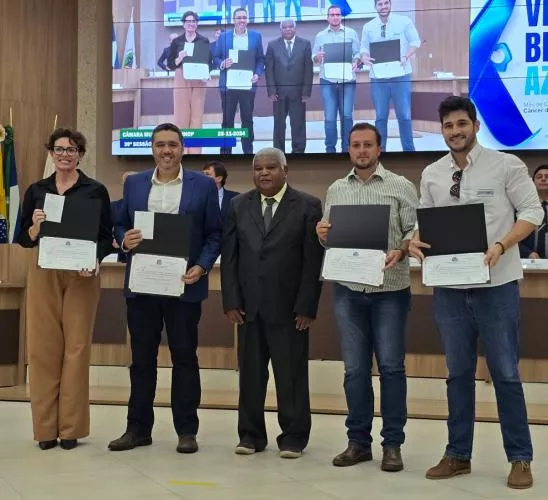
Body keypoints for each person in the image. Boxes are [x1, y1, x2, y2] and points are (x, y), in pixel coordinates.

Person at [409, 96, 543, 490]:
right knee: (458, 375)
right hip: (450, 289)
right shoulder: (433, 173)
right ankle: (457, 454)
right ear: (442, 130)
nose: (455, 131)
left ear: (476, 125)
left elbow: (532, 212)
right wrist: (414, 239)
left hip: (496, 286)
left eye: (461, 124)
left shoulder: (506, 164)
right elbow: (424, 219)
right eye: (448, 126)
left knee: (505, 374)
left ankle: (520, 457)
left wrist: (501, 245)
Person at [108, 123, 222, 453]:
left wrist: (202, 266)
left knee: (184, 358)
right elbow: (119, 223)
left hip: (184, 286)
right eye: (160, 144)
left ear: (183, 148)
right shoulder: (134, 183)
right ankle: (137, 429)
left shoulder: (203, 185)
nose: (166, 150)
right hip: (142, 286)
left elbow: (215, 233)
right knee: (141, 360)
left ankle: (186, 431)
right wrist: (124, 239)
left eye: (172, 144)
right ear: (152, 148)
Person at [316, 122, 418, 471]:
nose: (362, 151)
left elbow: (413, 232)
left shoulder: (400, 186)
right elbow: (329, 238)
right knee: (355, 370)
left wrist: (402, 249)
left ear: (379, 149)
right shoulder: (336, 189)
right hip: (348, 290)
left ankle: (393, 445)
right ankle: (358, 443)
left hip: (390, 290)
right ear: (349, 150)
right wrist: (321, 234)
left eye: (368, 145)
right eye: (356, 145)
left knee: (391, 368)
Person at [221, 147, 324, 458]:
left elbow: (312, 261)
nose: (264, 173)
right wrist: (231, 300)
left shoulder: (307, 205)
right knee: (250, 376)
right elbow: (230, 257)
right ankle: (250, 435)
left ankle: (293, 437)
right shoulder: (238, 205)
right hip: (248, 308)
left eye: (271, 167)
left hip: (290, 309)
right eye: (258, 168)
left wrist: (307, 306)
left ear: (285, 170)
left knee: (290, 376)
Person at [17, 128, 113, 450]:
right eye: (59, 149)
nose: (65, 155)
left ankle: (71, 428)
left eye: (71, 150)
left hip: (82, 274)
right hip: (44, 270)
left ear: (80, 155)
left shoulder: (95, 191)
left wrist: (95, 258)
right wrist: (35, 227)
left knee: (76, 348)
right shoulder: (37, 190)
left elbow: (105, 236)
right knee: (42, 348)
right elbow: (23, 237)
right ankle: (45, 429)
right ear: (51, 153)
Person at [360, 0, 421, 152]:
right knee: (381, 117)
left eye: (386, 3)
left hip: (401, 76)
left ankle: (409, 152)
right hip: (378, 78)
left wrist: (406, 56)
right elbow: (363, 49)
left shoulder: (404, 21)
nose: (383, 7)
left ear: (390, 4)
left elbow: (415, 42)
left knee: (404, 116)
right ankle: (380, 152)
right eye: (380, 4)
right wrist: (364, 57)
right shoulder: (368, 27)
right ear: (375, 7)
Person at [212, 8, 265, 155]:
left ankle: (248, 152)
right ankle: (225, 152)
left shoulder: (256, 36)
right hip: (228, 86)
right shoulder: (224, 37)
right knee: (227, 120)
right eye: (239, 17)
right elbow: (215, 57)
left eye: (244, 17)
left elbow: (260, 59)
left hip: (248, 85)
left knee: (247, 119)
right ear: (233, 20)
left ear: (247, 19)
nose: (242, 20)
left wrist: (257, 73)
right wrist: (222, 63)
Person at [312, 5, 361, 153]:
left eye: (337, 15)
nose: (335, 17)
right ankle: (330, 150)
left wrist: (356, 61)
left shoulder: (351, 33)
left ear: (341, 16)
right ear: (327, 17)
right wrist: (317, 57)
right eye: (332, 15)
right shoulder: (320, 36)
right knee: (330, 118)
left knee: (347, 116)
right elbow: (314, 57)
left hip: (348, 81)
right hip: (328, 81)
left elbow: (357, 54)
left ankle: (347, 149)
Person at [265, 19, 313, 153]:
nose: (288, 29)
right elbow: (269, 70)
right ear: (281, 30)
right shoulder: (272, 45)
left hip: (298, 94)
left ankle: (298, 151)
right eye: (285, 27)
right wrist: (271, 91)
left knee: (298, 124)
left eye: (290, 27)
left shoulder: (305, 44)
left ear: (295, 28)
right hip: (278, 94)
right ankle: (278, 152)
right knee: (279, 125)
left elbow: (308, 69)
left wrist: (306, 92)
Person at [167, 11, 210, 155]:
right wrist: (179, 58)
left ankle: (195, 151)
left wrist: (206, 73)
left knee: (197, 116)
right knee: (181, 115)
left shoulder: (204, 41)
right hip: (182, 77)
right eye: (188, 21)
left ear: (197, 24)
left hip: (199, 78)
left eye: (194, 21)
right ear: (183, 24)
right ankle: (182, 151)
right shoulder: (177, 41)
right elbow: (170, 64)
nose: (191, 24)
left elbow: (209, 61)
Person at [519, 165, 548, 259]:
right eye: (539, 177)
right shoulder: (521, 207)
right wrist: (527, 253)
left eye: (547, 177)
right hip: (529, 262)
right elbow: (512, 236)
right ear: (532, 182)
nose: (543, 179)